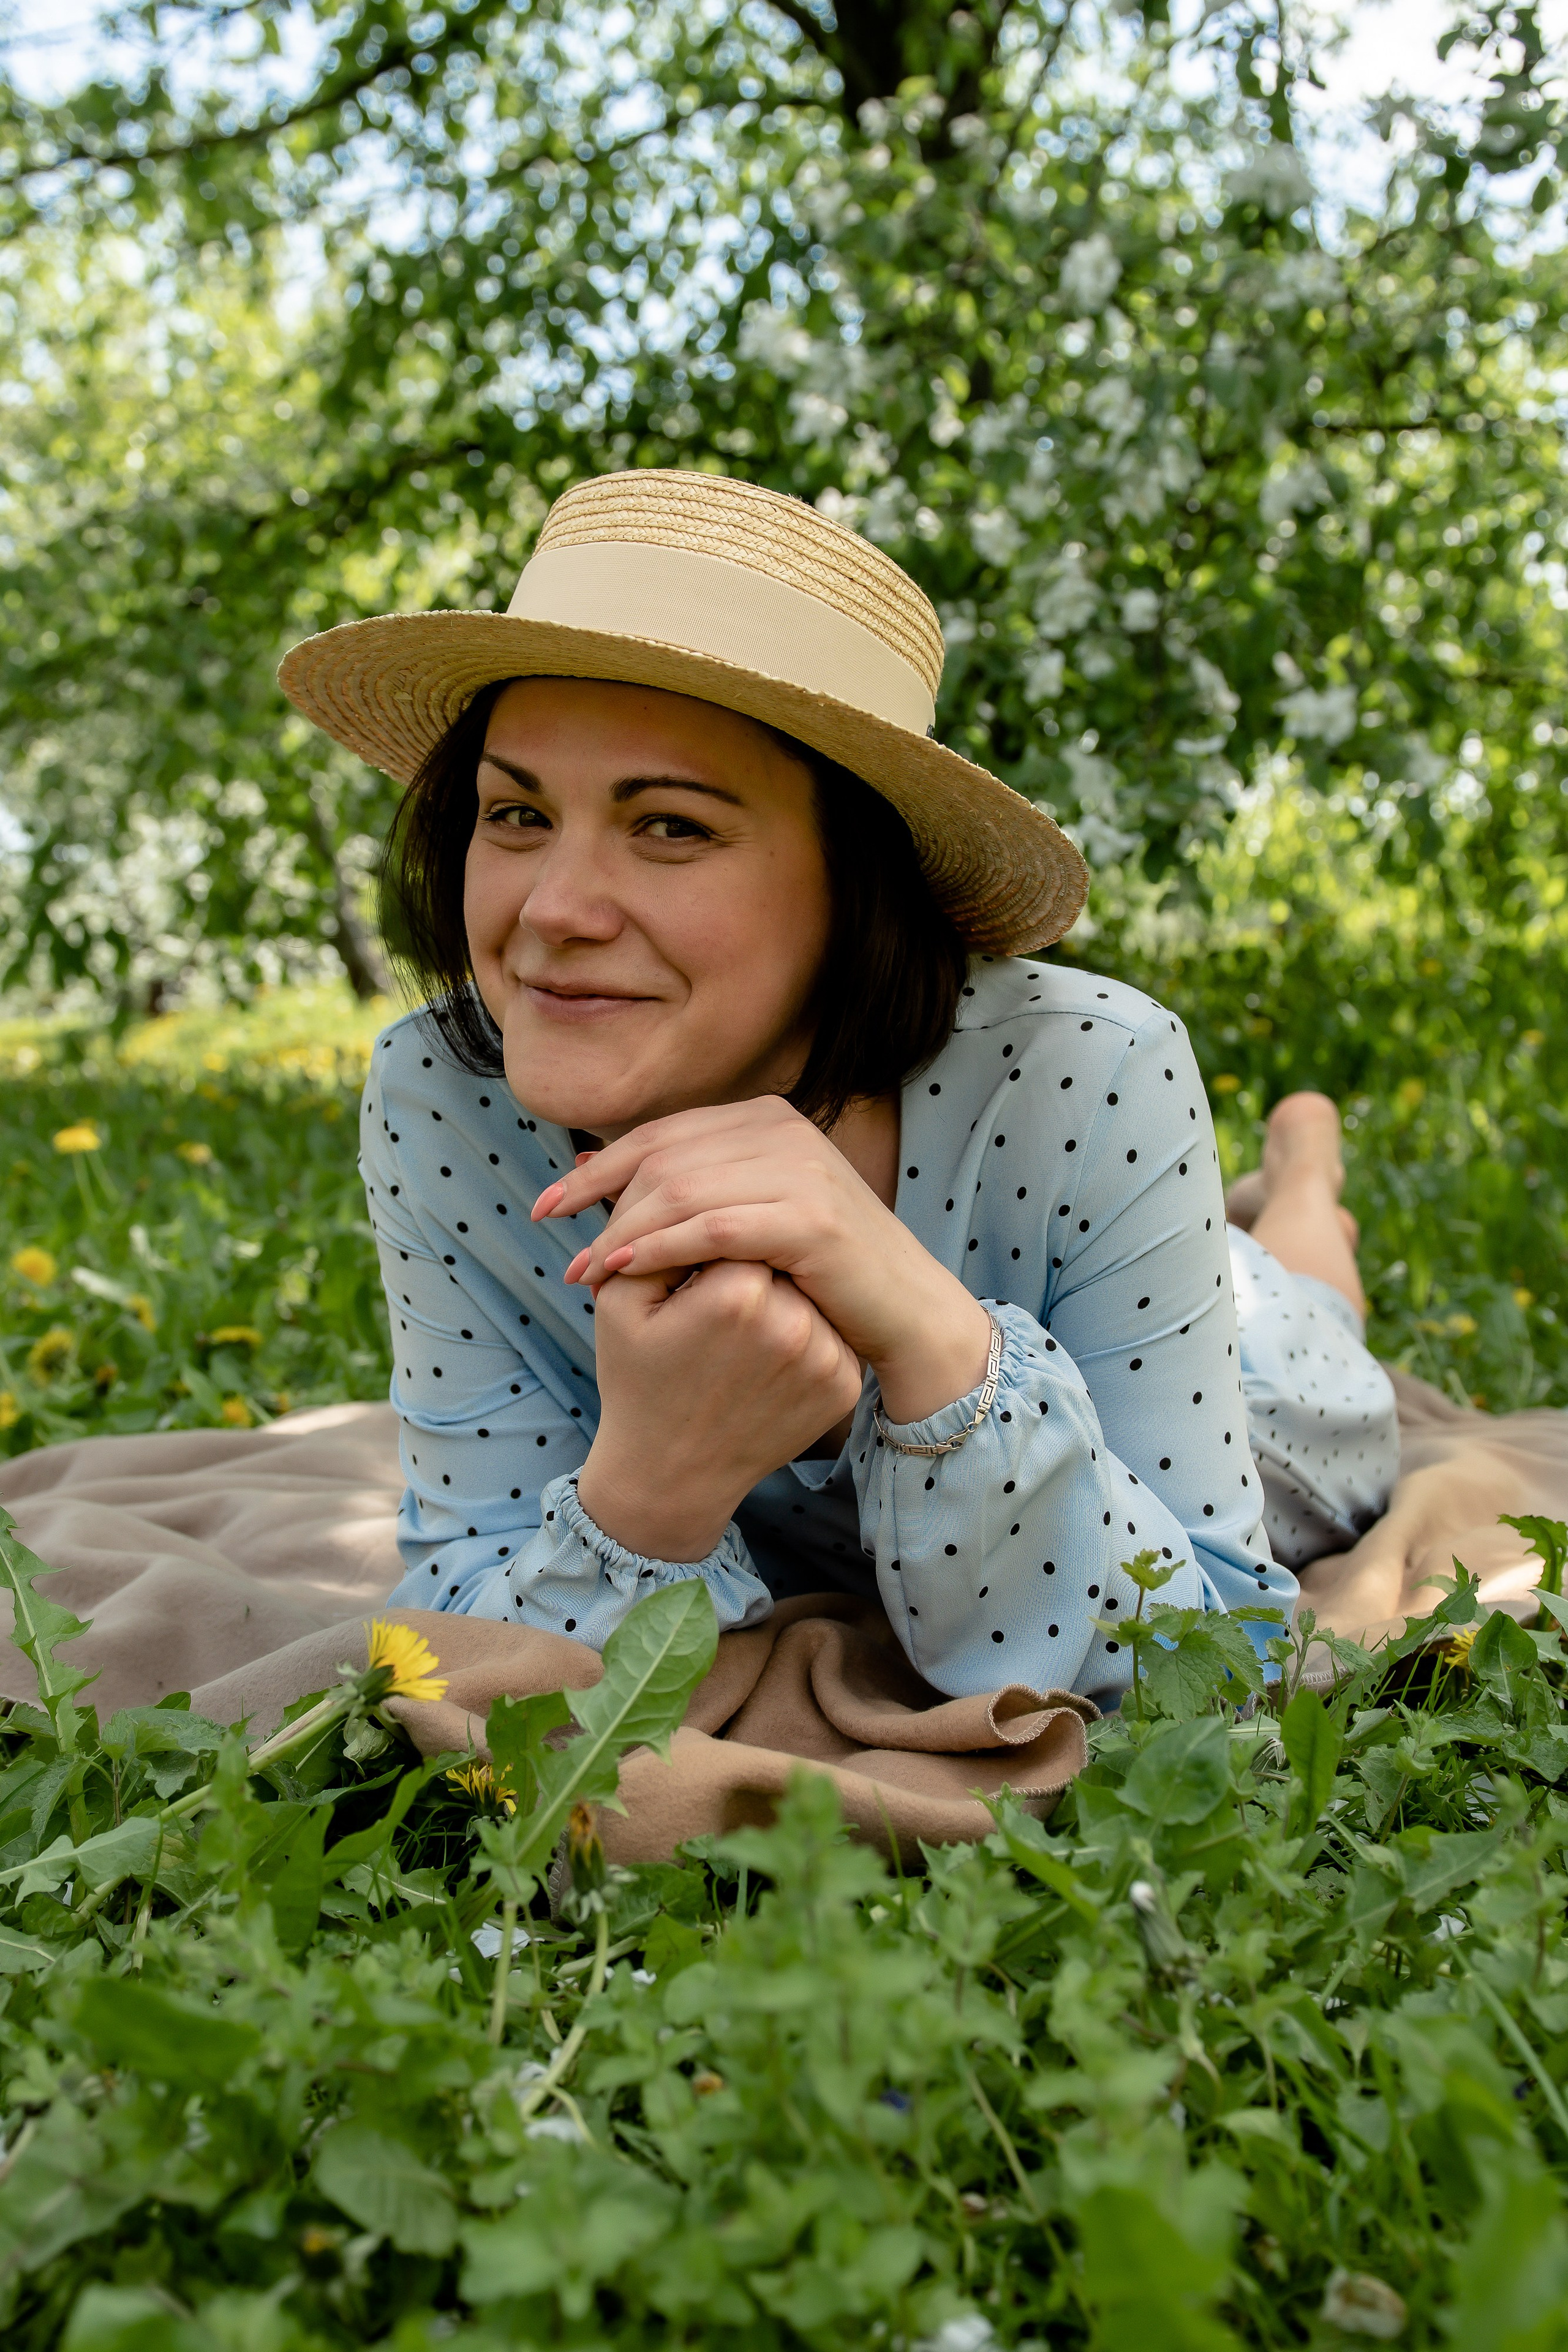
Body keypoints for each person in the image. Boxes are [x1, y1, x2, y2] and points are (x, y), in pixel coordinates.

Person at [278, 469, 1397, 1710]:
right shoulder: (444, 1099)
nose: (550, 913)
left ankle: (1301, 1175)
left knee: (1303, 1312)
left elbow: (1215, 1664)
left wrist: (929, 1338)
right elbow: (457, 1638)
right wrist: (648, 1494)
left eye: (670, 828)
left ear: (857, 880)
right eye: (516, 812)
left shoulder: (1089, 1074)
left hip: (1251, 1378)